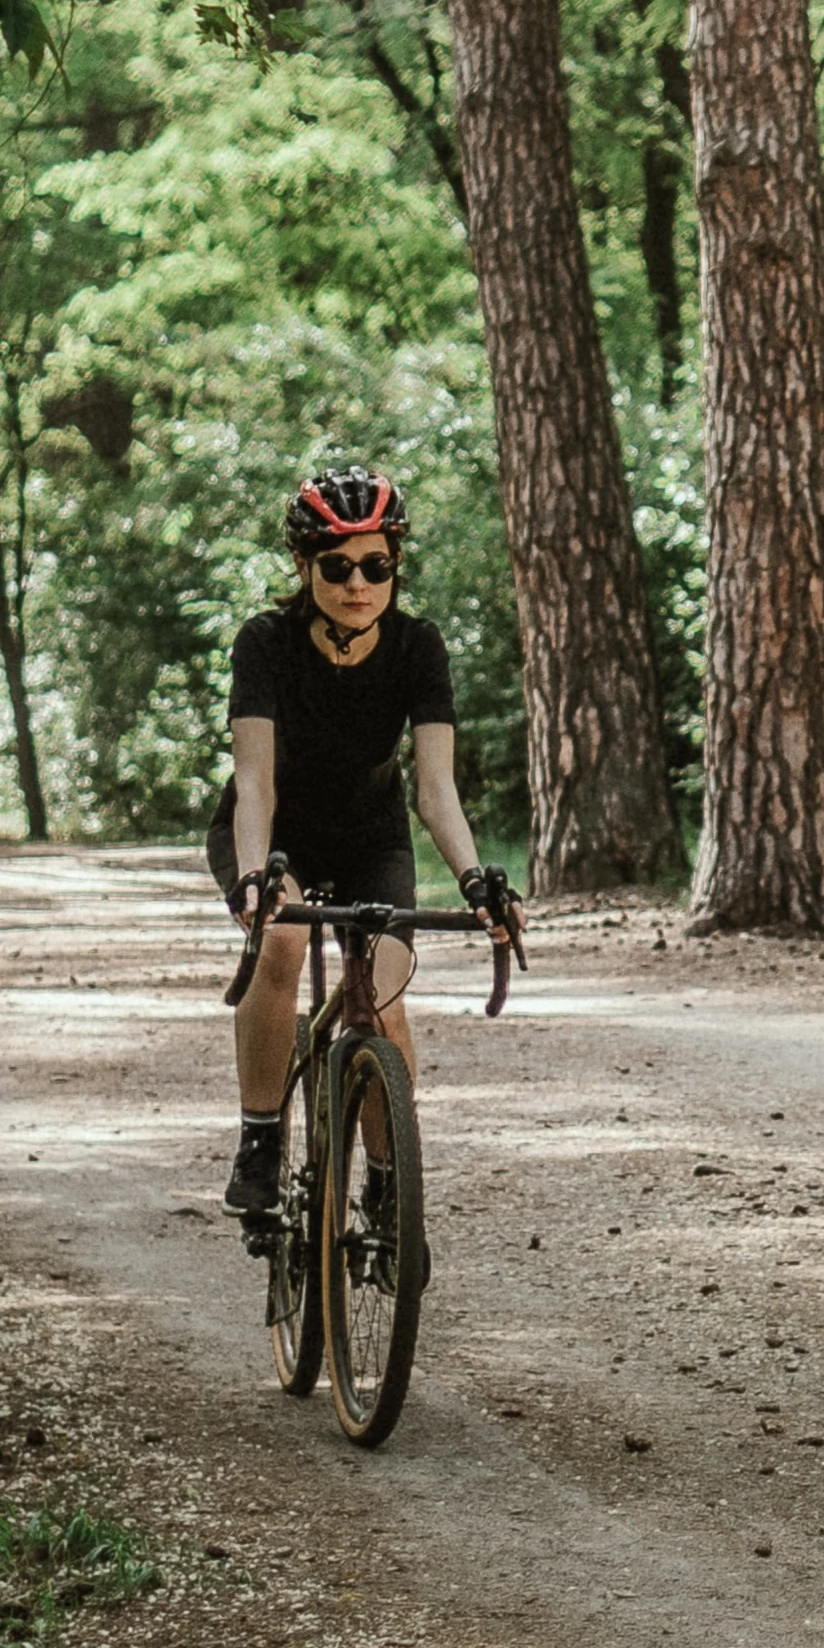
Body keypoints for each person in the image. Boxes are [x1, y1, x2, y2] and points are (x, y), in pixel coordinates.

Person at [216, 469, 514, 1217]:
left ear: (395, 566)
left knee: (380, 1000)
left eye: (376, 566)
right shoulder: (265, 643)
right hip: (274, 833)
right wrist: (255, 878)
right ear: (304, 566)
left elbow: (434, 790)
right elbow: (254, 782)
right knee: (281, 944)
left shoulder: (417, 647)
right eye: (338, 566)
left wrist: (476, 879)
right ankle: (259, 1139)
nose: (359, 583)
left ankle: (388, 1180)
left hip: (369, 833)